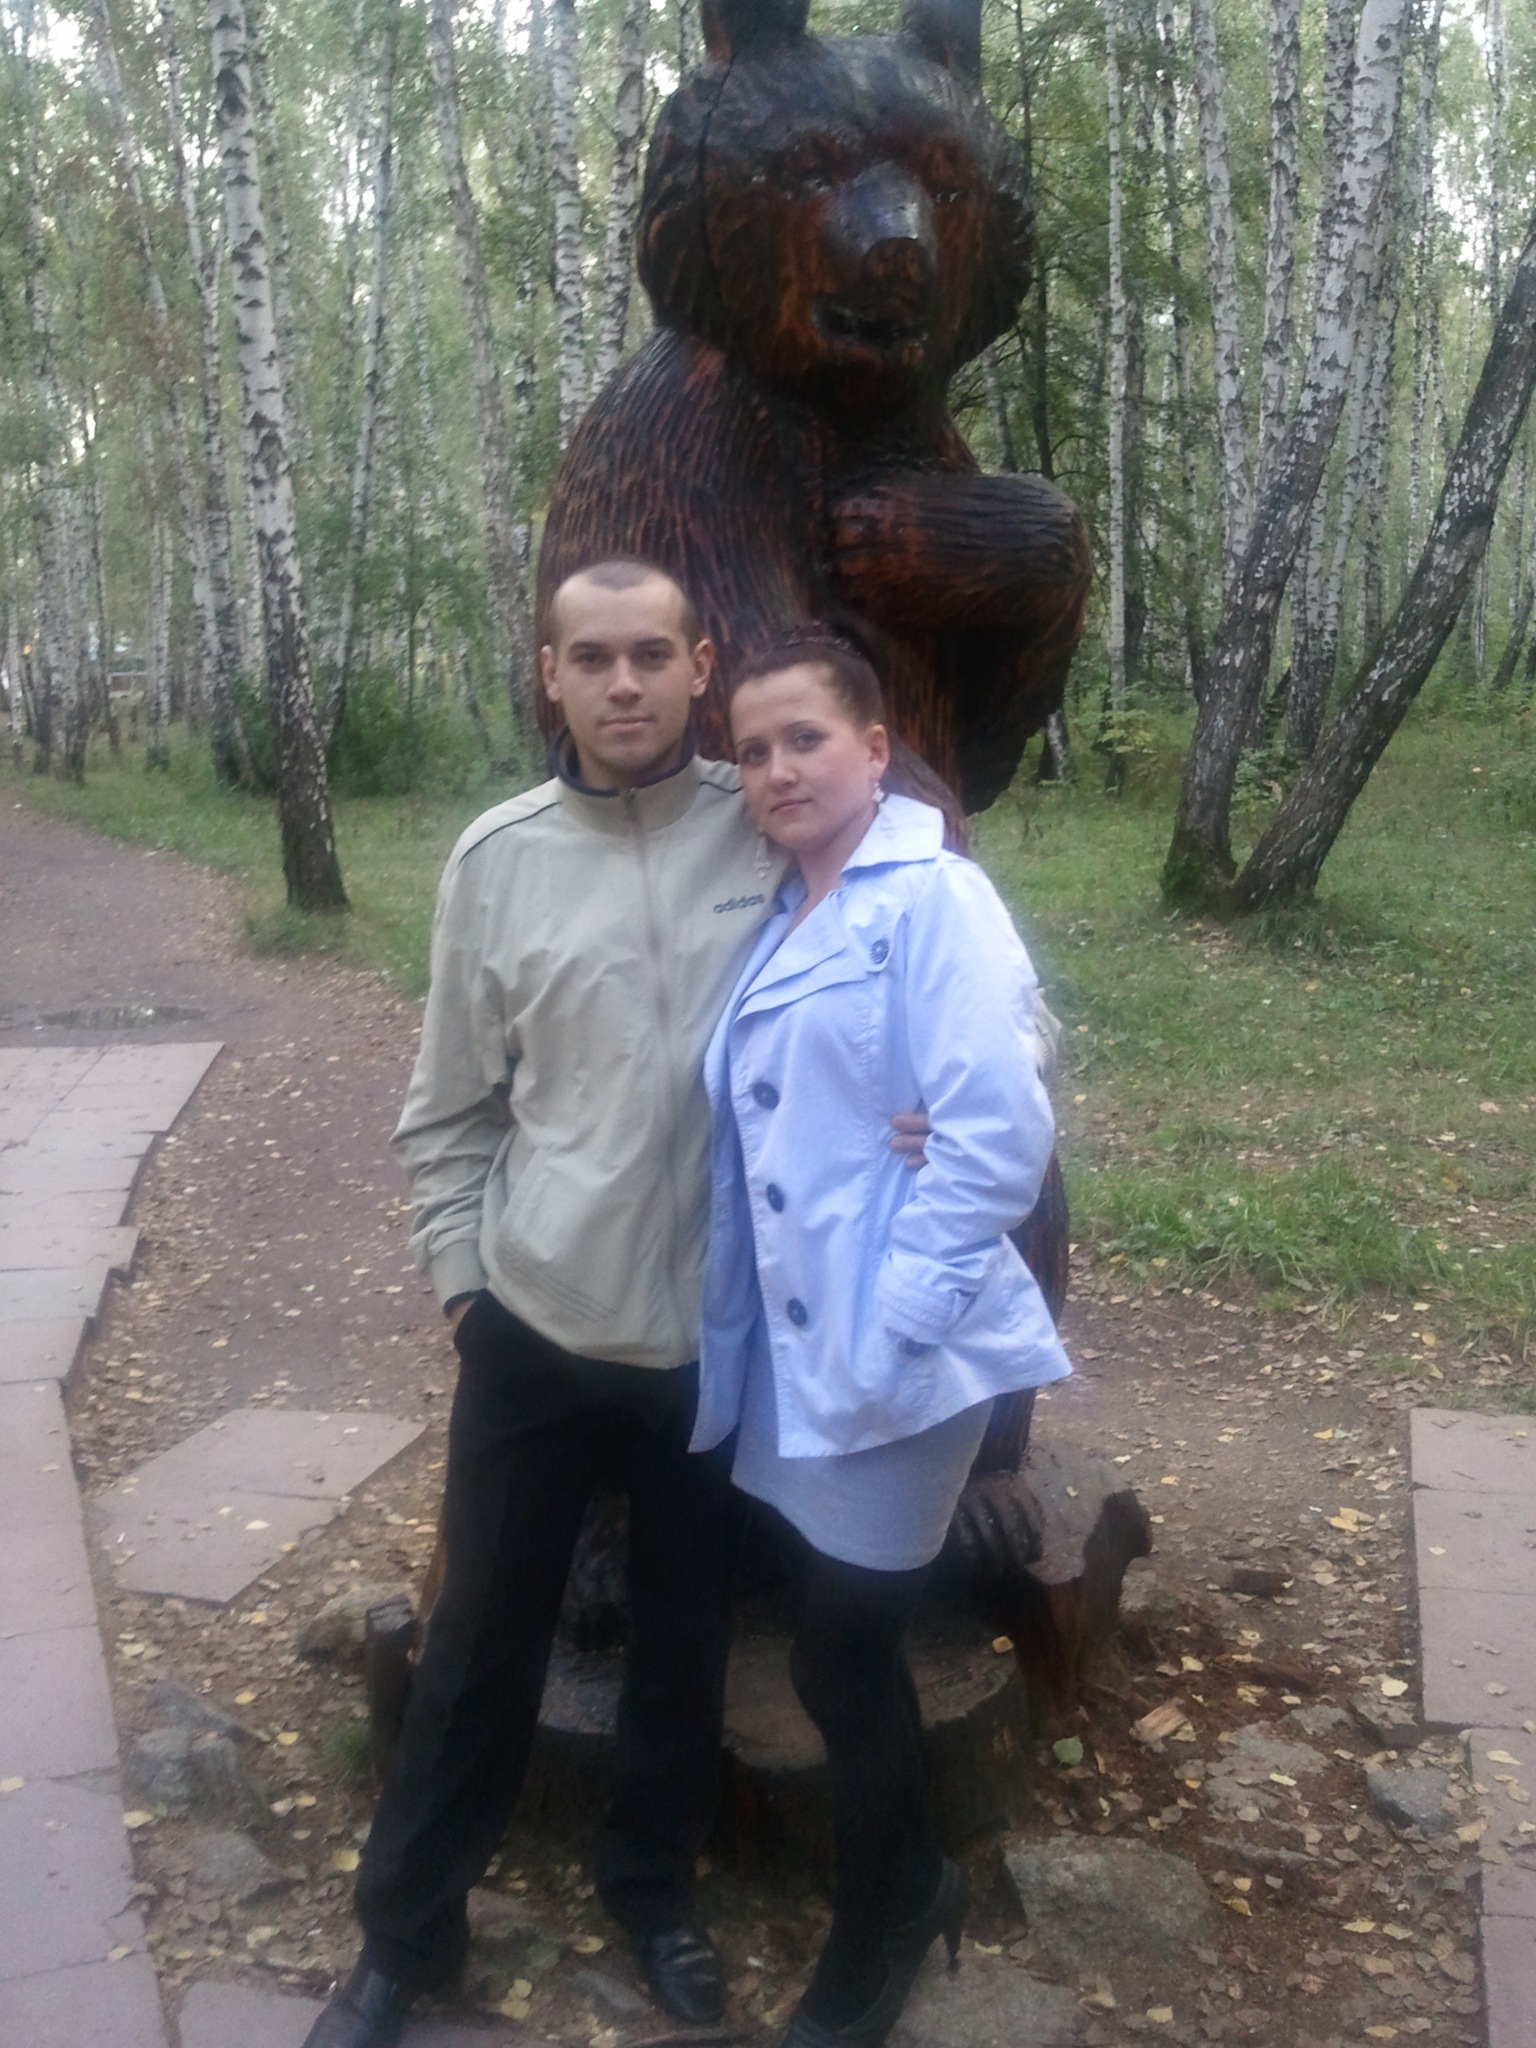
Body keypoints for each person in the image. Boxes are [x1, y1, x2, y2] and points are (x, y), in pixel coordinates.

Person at [305, 564, 925, 2048]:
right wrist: (467, 1292)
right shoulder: (497, 860)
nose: (625, 682)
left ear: (702, 665)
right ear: (552, 676)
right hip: (537, 1322)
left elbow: (915, 930)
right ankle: (404, 1938)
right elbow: (449, 1110)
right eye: (593, 657)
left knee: (682, 1637)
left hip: (715, 1335)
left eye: (653, 653)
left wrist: (949, 1096)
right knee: (479, 1643)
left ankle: (653, 1895)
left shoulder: (759, 819)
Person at [692, 632, 1072, 2048]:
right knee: (833, 1645)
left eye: (805, 738)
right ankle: (905, 1884)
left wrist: (901, 1320)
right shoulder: (786, 907)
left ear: (872, 748)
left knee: (843, 1649)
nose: (777, 769)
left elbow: (999, 1137)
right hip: (805, 1344)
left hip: (901, 1347)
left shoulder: (932, 895)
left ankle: (889, 1912)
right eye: (753, 750)